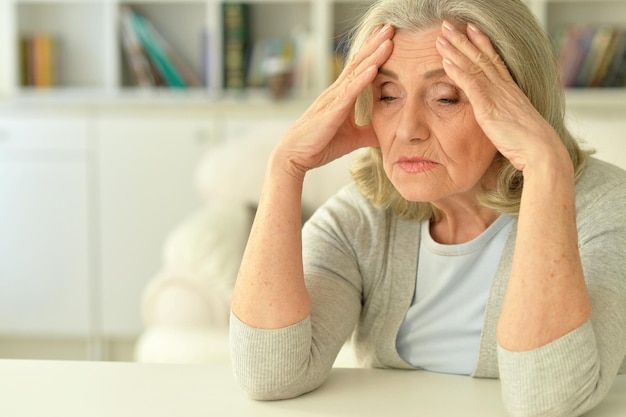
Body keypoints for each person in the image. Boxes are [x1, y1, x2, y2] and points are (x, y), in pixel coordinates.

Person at [229, 0, 626, 415]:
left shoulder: (607, 207)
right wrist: (285, 168)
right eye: (387, 95)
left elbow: (549, 399)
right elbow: (270, 375)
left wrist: (545, 166)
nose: (408, 130)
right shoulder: (363, 219)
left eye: (446, 97)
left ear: (518, 105)